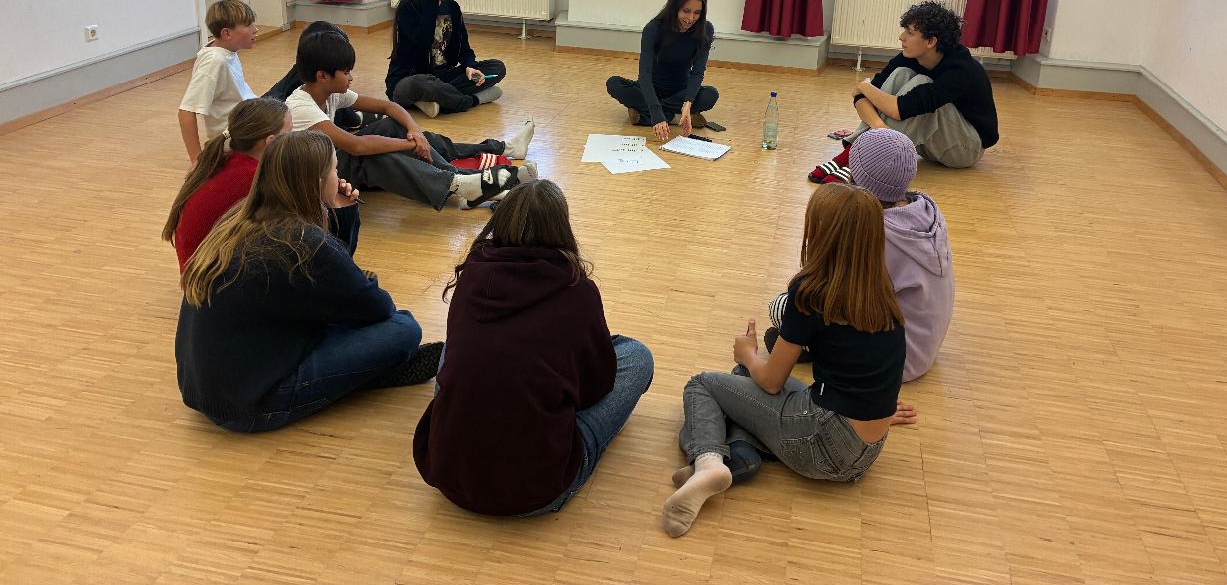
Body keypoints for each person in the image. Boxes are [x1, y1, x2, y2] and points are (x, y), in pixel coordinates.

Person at [661, 185, 916, 538]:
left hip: (819, 442)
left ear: (819, 233)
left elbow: (770, 382)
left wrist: (748, 353)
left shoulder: (811, 291)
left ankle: (708, 464)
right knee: (743, 378)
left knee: (703, 385)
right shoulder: (881, 291)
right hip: (867, 450)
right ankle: (742, 454)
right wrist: (877, 410)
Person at [175, 130, 443, 432]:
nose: (339, 177)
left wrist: (341, 216)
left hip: (200, 388)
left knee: (342, 308)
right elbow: (377, 308)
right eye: (335, 169)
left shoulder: (239, 217)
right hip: (252, 404)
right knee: (404, 328)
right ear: (317, 181)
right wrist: (346, 227)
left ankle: (357, 372)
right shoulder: (301, 241)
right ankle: (363, 375)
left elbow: (337, 282)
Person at [413, 180, 653, 516]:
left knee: (460, 349)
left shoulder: (472, 275)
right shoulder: (578, 291)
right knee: (637, 356)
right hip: (538, 491)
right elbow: (595, 388)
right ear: (562, 230)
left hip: (449, 475)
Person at [772, 129, 954, 383]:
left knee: (782, 309)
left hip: (889, 363)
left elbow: (832, 295)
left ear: (854, 176)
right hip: (923, 348)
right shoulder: (925, 209)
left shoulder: (870, 230)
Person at [288, 31, 535, 209]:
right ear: (322, 76)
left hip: (333, 164)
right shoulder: (300, 107)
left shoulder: (330, 92)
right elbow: (356, 146)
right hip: (315, 181)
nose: (351, 77)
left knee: (393, 126)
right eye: (346, 72)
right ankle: (461, 183)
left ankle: (466, 176)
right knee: (373, 156)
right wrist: (409, 144)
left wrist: (414, 131)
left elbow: (387, 107)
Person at [163, 98, 364, 272]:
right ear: (271, 142)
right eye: (289, 132)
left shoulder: (227, 160)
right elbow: (313, 245)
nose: (294, 137)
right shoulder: (256, 179)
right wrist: (334, 204)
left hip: (204, 274)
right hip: (214, 282)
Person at [814, 1, 999, 173]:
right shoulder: (909, 57)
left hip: (964, 148)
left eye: (910, 33)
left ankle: (862, 164)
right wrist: (878, 126)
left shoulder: (961, 69)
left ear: (931, 41)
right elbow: (860, 98)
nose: (901, 37)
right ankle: (853, 154)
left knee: (922, 84)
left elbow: (897, 109)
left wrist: (864, 86)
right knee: (900, 74)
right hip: (927, 143)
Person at [385, 0, 506, 118]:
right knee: (423, 83)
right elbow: (423, 42)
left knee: (497, 67)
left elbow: (464, 48)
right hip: (409, 80)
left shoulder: (452, 7)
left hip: (441, 77)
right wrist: (431, 2)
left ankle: (433, 100)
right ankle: (473, 100)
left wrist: (470, 66)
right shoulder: (407, 7)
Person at [605, 0, 719, 142]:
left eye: (697, 13)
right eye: (686, 11)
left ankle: (645, 115)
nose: (690, 18)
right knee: (614, 84)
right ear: (675, 6)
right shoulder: (653, 28)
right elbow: (644, 75)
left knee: (711, 95)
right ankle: (673, 117)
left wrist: (688, 103)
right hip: (650, 89)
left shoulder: (706, 29)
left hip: (680, 92)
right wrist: (656, 110)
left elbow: (698, 72)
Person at [178, 0, 258, 163]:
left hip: (248, 120)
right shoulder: (214, 61)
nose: (255, 29)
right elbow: (186, 111)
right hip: (237, 136)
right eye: (248, 25)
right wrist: (196, 159)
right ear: (226, 33)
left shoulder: (227, 51)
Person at [263, 21, 363, 131]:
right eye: (346, 72)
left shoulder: (310, 74)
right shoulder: (303, 92)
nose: (351, 78)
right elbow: (355, 141)